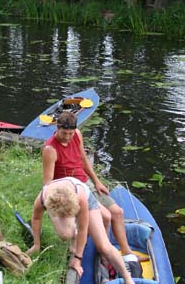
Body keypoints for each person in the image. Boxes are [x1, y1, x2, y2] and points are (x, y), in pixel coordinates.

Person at [42, 111, 141, 273]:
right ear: (57, 128)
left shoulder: (77, 135)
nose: (68, 137)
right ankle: (103, 254)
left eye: (71, 133)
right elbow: (47, 183)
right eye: (64, 133)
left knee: (117, 212)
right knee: (105, 216)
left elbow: (83, 160)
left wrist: (97, 181)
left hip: (86, 182)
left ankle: (126, 252)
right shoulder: (50, 149)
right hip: (71, 189)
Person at [27, 177, 138, 284]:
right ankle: (72, 235)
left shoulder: (80, 196)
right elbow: (36, 219)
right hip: (61, 203)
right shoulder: (42, 198)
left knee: (104, 247)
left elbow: (83, 228)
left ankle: (128, 279)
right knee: (65, 235)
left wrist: (77, 258)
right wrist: (36, 244)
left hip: (85, 199)